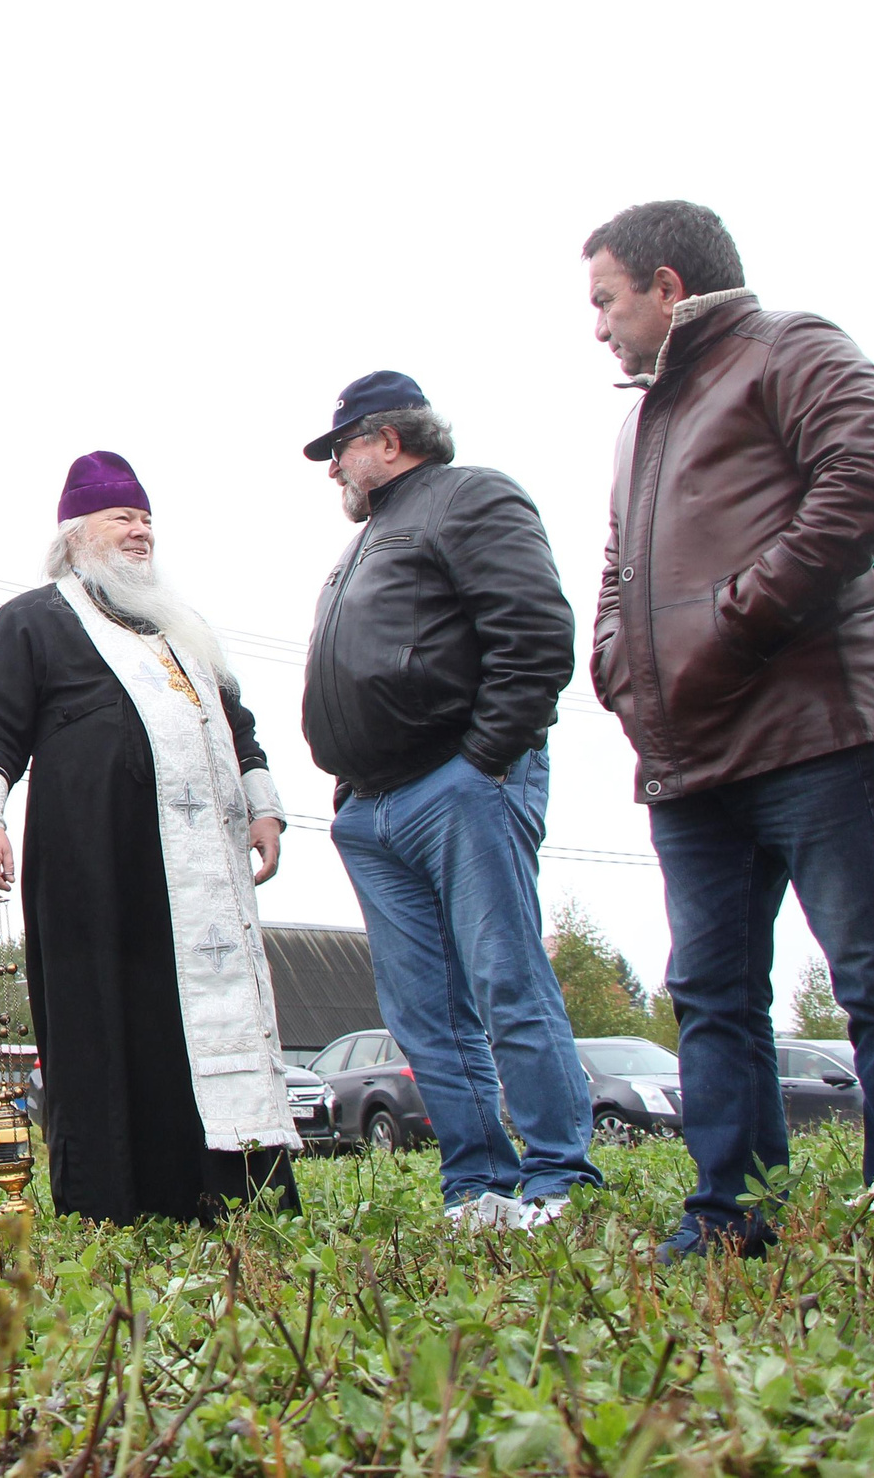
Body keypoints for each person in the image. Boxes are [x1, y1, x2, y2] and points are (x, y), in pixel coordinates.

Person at [584, 200, 874, 1259]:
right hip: (688, 760)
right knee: (709, 996)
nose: (598, 326)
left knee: (868, 974)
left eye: (606, 300)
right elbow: (619, 571)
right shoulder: (641, 421)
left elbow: (864, 473)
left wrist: (740, 617)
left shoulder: (786, 348)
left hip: (815, 729)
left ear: (667, 287)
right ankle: (731, 1215)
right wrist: (614, 664)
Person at [0, 454, 300, 1224]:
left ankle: (234, 1186)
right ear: (77, 534)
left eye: (147, 517)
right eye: (123, 517)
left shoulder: (186, 628)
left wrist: (264, 806)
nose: (141, 530)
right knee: (109, 1019)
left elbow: (239, 727)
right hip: (96, 870)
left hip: (198, 879)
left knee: (194, 1018)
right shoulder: (33, 618)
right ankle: (116, 1195)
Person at [300, 374, 597, 1230]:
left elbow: (536, 631)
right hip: (373, 809)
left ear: (390, 441)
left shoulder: (470, 496)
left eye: (339, 450)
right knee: (423, 1011)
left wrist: (481, 760)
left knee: (505, 978)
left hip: (457, 785)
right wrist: (352, 786)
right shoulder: (363, 544)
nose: (332, 471)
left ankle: (557, 1176)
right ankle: (478, 1184)